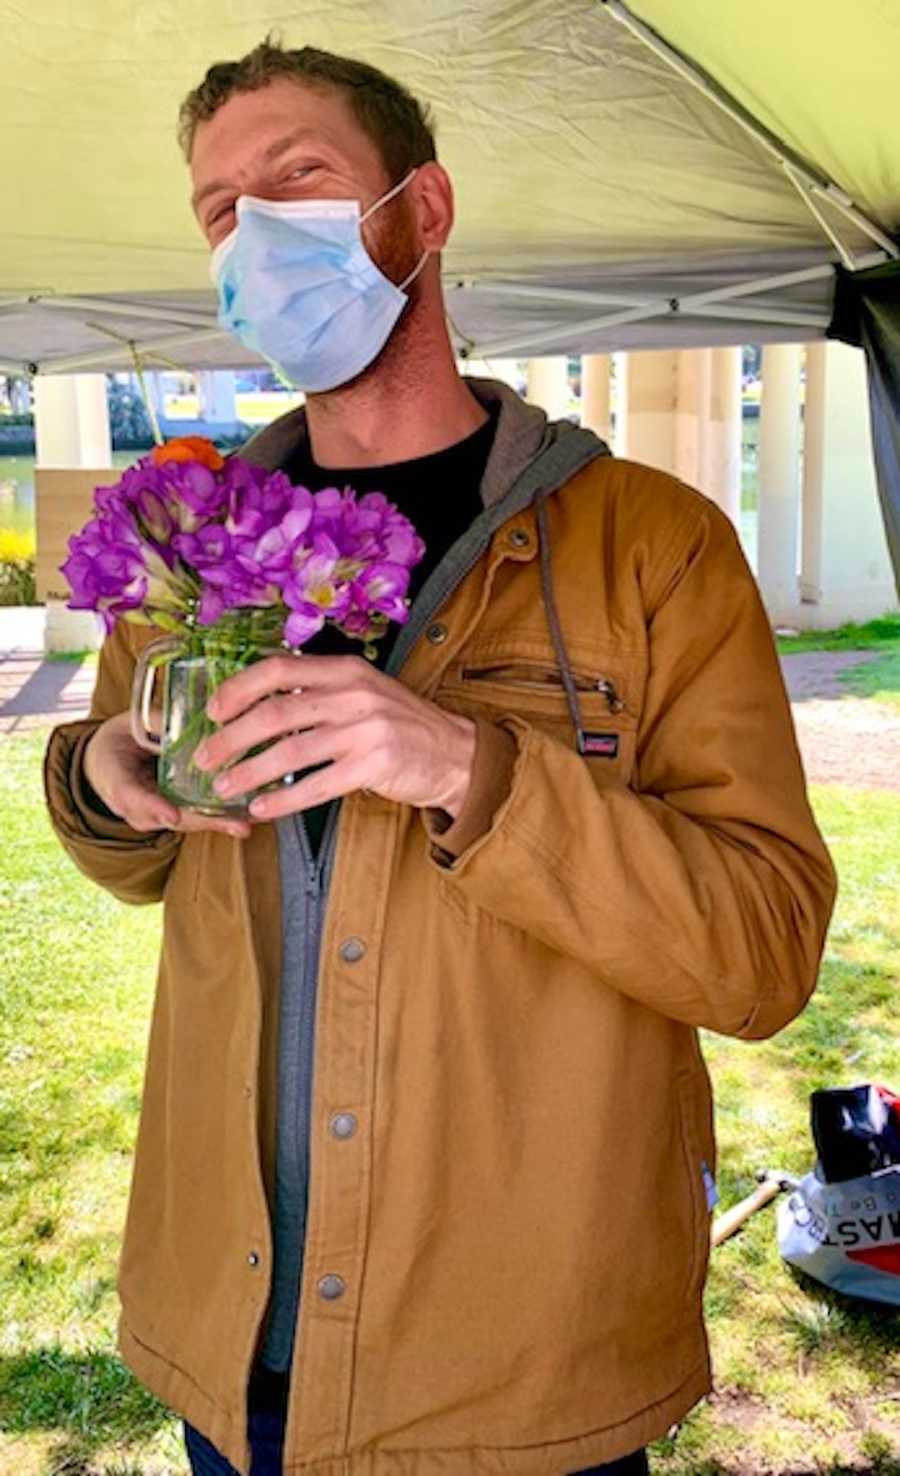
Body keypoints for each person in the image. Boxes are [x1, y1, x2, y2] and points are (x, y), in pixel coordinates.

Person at [43, 38, 837, 1476]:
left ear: (424, 209)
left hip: (518, 1375)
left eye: (302, 179)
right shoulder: (188, 543)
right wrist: (100, 779)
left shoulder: (655, 547)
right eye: (223, 210)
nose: (257, 230)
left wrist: (473, 771)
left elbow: (766, 952)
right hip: (234, 1352)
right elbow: (138, 853)